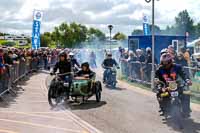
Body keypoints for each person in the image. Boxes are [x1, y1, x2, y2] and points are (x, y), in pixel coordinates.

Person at [155, 52, 192, 117]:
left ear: (170, 61)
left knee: (186, 93)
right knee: (160, 94)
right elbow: (156, 77)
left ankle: (186, 110)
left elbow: (183, 74)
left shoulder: (177, 67)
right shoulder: (160, 69)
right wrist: (157, 81)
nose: (165, 63)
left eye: (166, 62)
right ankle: (163, 109)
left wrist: (187, 80)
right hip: (165, 86)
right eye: (163, 62)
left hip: (177, 85)